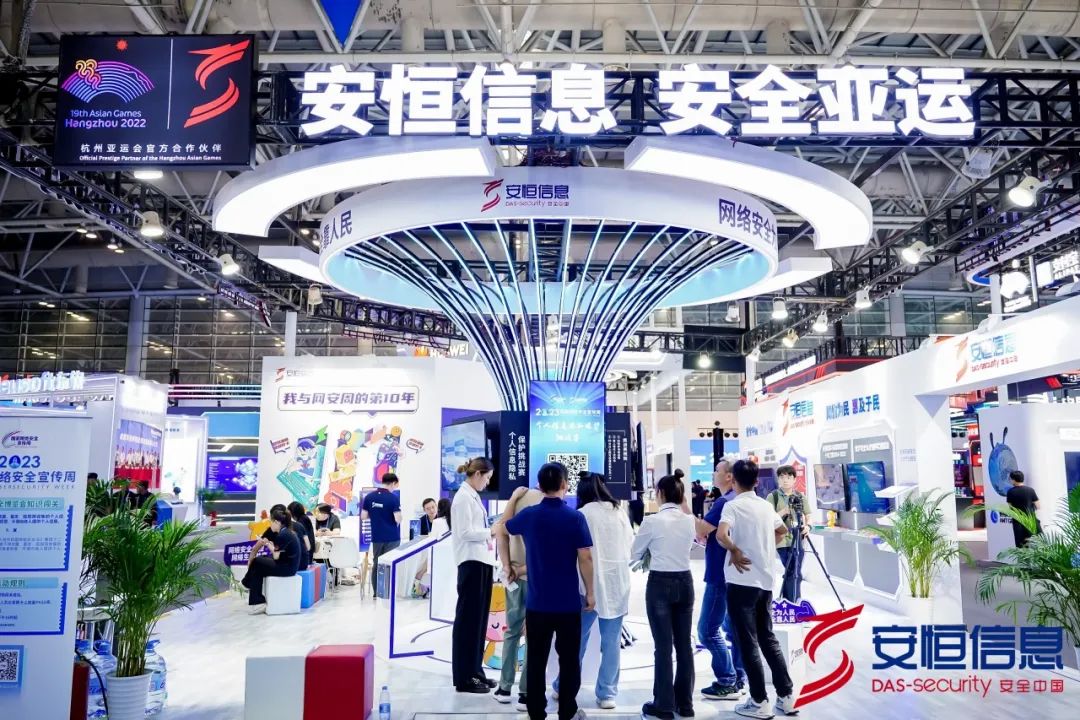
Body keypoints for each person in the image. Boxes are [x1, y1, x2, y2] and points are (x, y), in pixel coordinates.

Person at [499, 462, 594, 720]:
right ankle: (567, 711)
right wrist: (590, 592)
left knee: (536, 659)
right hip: (567, 604)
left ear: (540, 486)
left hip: (537, 603)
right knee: (569, 660)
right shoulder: (575, 518)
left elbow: (502, 527)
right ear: (565, 485)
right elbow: (585, 557)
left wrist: (513, 499)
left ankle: (536, 712)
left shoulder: (529, 515)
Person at [717, 460, 796, 719]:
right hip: (765, 581)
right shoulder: (765, 505)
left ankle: (759, 700)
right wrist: (764, 547)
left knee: (748, 641)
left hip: (741, 582)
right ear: (757, 482)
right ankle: (786, 697)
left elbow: (721, 535)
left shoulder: (732, 506)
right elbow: (783, 530)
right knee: (767, 638)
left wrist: (735, 549)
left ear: (733, 481)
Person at [552, 473, 632, 710]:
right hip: (617, 584)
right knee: (611, 643)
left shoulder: (582, 514)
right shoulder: (619, 512)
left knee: (576, 641)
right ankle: (607, 693)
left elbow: (577, 552)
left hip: (586, 586)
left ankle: (563, 686)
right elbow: (629, 544)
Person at [631, 474, 697, 720]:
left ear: (660, 493)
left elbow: (635, 554)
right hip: (685, 582)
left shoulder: (652, 521)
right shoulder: (689, 520)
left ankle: (664, 705)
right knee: (684, 645)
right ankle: (685, 704)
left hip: (660, 583)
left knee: (663, 647)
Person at [696, 460, 747, 702]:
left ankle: (727, 680)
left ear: (729, 476)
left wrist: (683, 509)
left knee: (707, 630)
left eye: (717, 470)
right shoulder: (742, 501)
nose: (713, 474)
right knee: (733, 628)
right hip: (736, 575)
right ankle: (739, 677)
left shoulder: (724, 502)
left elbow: (702, 529)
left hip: (719, 575)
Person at [492, 484, 544, 710]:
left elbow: (501, 532)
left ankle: (505, 688)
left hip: (513, 578)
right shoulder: (547, 504)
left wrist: (507, 567)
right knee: (534, 635)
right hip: (537, 579)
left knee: (511, 632)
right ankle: (526, 692)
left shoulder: (517, 499)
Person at [451, 457, 498, 694]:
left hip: (481, 561)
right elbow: (465, 532)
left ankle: (476, 672)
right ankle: (465, 678)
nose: (487, 483)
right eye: (487, 478)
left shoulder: (472, 496)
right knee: (468, 623)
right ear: (478, 474)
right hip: (471, 563)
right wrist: (490, 531)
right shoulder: (462, 498)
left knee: (478, 622)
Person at [241, 507, 302, 614]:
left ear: (277, 522)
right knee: (259, 563)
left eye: (271, 522)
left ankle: (248, 586)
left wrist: (269, 545)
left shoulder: (283, 535)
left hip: (287, 568)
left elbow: (276, 556)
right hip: (289, 565)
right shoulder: (286, 532)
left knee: (257, 562)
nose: (270, 525)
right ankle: (256, 599)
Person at [362, 472, 403, 595]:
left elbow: (363, 516)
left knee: (377, 562)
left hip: (377, 536)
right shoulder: (393, 498)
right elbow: (398, 518)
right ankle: (388, 592)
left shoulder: (369, 497)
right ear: (393, 483)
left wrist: (376, 515)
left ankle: (377, 592)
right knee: (390, 563)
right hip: (392, 536)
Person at [1006, 470, 1041, 547]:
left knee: (1022, 547)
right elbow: (1038, 506)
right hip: (1031, 521)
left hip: (1018, 522)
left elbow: (1010, 508)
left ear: (1014, 480)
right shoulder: (1030, 490)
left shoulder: (1010, 492)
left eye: (1011, 479)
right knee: (1037, 544)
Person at [288, 501, 316, 568]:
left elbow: (302, 540)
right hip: (308, 553)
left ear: (293, 512)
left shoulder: (301, 521)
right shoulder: (304, 518)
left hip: (306, 556)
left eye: (289, 512)